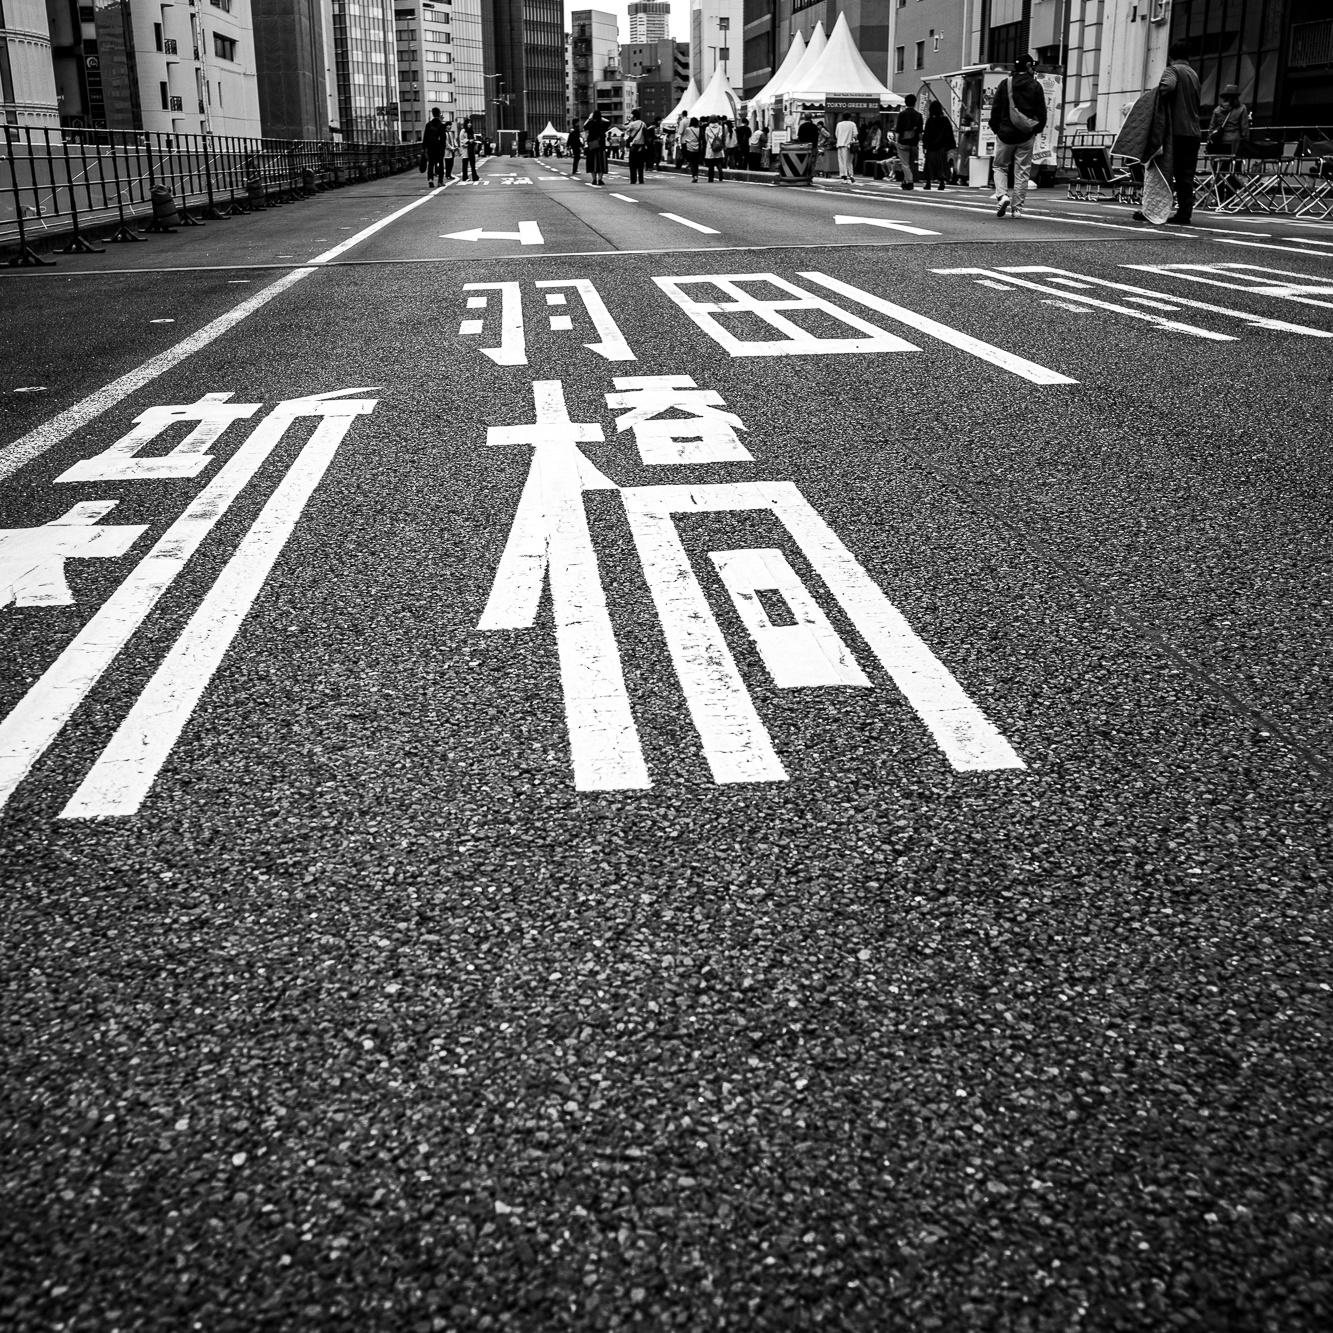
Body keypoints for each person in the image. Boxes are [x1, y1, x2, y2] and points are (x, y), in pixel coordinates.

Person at [988, 53, 1046, 217]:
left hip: (1005, 134)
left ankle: (1002, 196)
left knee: (1000, 166)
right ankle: (1017, 209)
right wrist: (1035, 130)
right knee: (1022, 172)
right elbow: (1041, 113)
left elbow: (996, 110)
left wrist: (997, 129)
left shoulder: (1005, 84)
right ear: (1028, 66)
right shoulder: (1036, 86)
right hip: (1026, 135)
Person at [1158, 40, 1202, 224]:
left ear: (1170, 57)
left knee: (1165, 172)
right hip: (1193, 131)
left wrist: (1155, 97)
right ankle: (1185, 211)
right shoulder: (1193, 74)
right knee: (1186, 175)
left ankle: (1159, 210)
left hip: (1176, 131)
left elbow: (1167, 87)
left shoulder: (1172, 70)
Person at [922, 101, 956, 190]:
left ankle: (928, 183)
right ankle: (941, 182)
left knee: (929, 165)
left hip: (931, 147)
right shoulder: (945, 120)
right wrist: (950, 145)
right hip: (941, 146)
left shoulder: (930, 120)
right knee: (941, 165)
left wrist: (925, 146)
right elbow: (949, 133)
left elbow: (926, 135)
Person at [1208, 83, 1249, 156]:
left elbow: (1212, 127)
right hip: (1235, 141)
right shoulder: (1242, 108)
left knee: (1222, 161)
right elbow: (1244, 128)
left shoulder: (1217, 110)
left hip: (1220, 140)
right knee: (1234, 161)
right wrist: (1245, 141)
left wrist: (1211, 138)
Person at [894, 94, 924, 189]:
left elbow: (898, 130)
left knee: (905, 164)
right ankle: (905, 181)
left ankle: (910, 181)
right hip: (914, 143)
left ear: (905, 102)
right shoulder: (919, 115)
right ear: (915, 103)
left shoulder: (901, 114)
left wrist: (897, 141)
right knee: (910, 164)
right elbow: (920, 133)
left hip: (903, 142)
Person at [422, 106, 447, 188]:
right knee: (441, 163)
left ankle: (430, 180)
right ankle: (440, 181)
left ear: (432, 114)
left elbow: (425, 137)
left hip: (430, 147)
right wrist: (443, 148)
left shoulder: (428, 125)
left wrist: (424, 148)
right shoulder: (441, 125)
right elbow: (443, 139)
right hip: (439, 147)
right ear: (439, 114)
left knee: (431, 163)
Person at [584, 109, 608, 185]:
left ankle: (594, 179)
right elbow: (608, 122)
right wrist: (600, 118)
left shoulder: (590, 123)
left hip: (592, 146)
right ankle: (600, 179)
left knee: (592, 163)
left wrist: (589, 118)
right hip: (601, 146)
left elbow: (585, 127)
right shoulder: (603, 123)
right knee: (601, 163)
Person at [834, 111, 858, 182]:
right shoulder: (852, 124)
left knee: (841, 161)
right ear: (850, 117)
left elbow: (836, 135)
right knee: (849, 160)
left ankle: (844, 176)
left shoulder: (839, 124)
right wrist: (855, 141)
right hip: (849, 145)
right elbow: (855, 135)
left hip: (840, 144)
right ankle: (850, 174)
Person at [625, 108, 647, 185]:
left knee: (632, 164)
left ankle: (633, 180)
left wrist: (629, 120)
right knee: (641, 164)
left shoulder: (632, 124)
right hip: (641, 146)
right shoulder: (643, 124)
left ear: (633, 116)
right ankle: (641, 179)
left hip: (634, 146)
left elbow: (624, 127)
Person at [704, 116, 727, 182]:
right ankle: (720, 173)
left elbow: (706, 138)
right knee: (718, 161)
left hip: (711, 147)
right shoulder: (720, 127)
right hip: (718, 146)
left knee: (711, 163)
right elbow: (722, 137)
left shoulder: (708, 128)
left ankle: (711, 178)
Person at [681, 115, 702, 181]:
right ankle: (696, 174)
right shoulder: (699, 129)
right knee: (696, 163)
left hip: (690, 147)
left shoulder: (688, 129)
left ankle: (694, 176)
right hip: (698, 147)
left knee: (692, 162)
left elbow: (686, 138)